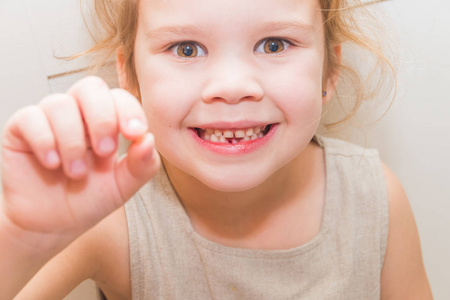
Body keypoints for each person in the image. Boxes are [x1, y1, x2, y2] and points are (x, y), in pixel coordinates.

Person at [0, 0, 433, 299]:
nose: (231, 87)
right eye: (186, 49)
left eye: (275, 44)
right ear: (129, 74)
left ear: (330, 70)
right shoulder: (112, 219)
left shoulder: (373, 199)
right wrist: (19, 235)